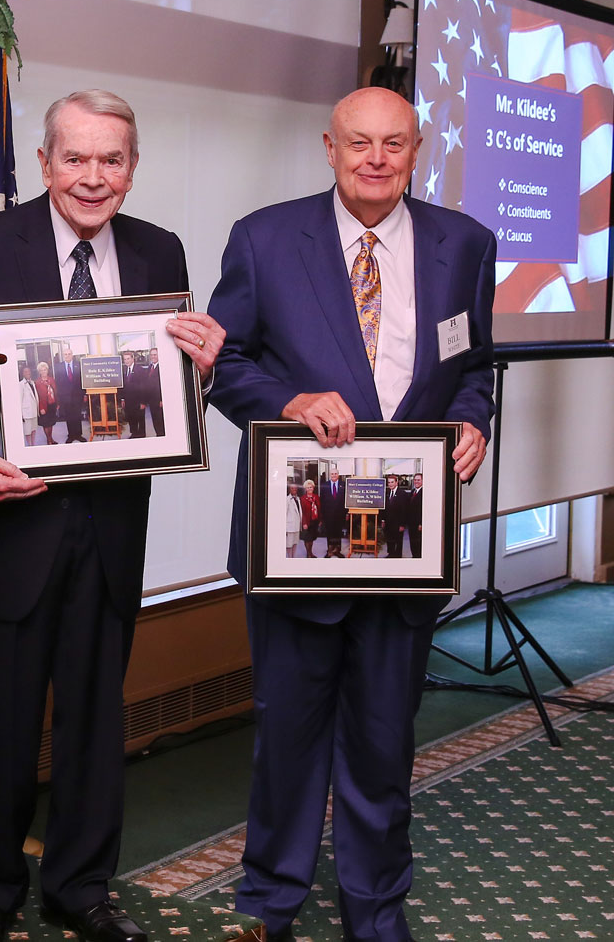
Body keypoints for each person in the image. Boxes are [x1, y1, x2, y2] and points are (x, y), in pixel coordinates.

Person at [0, 89, 224, 942]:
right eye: (76, 158)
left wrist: (206, 367)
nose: (94, 177)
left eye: (112, 159)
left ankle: (83, 889)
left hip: (115, 528)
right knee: (5, 725)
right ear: (46, 163)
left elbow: (166, 392)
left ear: (132, 166)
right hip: (19, 530)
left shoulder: (160, 250)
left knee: (95, 719)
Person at [208, 86, 494, 942]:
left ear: (418, 150)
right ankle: (270, 904)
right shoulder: (264, 237)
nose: (376, 158)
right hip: (299, 536)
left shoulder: (465, 243)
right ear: (328, 146)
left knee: (382, 740)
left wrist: (476, 417)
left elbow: (477, 363)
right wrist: (291, 399)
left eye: (394, 144)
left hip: (408, 539)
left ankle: (374, 908)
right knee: (287, 739)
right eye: (359, 142)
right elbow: (225, 365)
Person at [54, 344, 87, 442]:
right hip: (65, 397)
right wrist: (59, 398)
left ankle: (78, 435)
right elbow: (58, 383)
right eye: (65, 354)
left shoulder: (78, 365)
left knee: (77, 415)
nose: (67, 356)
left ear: (72, 355)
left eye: (69, 354)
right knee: (69, 416)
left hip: (77, 396)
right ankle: (71, 435)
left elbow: (82, 380)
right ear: (63, 356)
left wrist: (84, 394)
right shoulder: (58, 367)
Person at [118, 350, 147, 438]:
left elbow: (144, 387)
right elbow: (123, 386)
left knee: (140, 418)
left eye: (128, 359)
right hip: (128, 400)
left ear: (133, 359)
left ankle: (141, 434)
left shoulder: (140, 370)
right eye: (125, 359)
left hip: (138, 400)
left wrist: (143, 402)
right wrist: (122, 399)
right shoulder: (125, 369)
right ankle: (134, 433)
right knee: (131, 418)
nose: (126, 361)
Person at [319, 466, 347, 558]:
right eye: (332, 474)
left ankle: (338, 551)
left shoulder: (343, 485)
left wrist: (346, 513)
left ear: (338, 475)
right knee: (330, 533)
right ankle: (330, 551)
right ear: (329, 475)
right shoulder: (324, 485)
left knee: (338, 533)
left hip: (340, 514)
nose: (334, 475)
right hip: (328, 515)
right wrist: (322, 515)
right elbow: (322, 500)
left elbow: (346, 500)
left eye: (335, 473)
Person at [381, 474, 408, 558]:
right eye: (389, 482)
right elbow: (384, 508)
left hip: (398, 523)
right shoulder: (387, 492)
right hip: (388, 522)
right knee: (389, 539)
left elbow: (404, 510)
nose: (390, 484)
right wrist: (383, 520)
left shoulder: (402, 494)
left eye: (392, 482)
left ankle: (398, 556)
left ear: (396, 483)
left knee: (398, 541)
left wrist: (402, 524)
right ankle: (391, 554)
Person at [34, 361, 59, 444]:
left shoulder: (51, 379)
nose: (44, 372)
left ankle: (51, 438)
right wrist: (40, 408)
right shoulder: (37, 382)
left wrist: (57, 403)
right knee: (46, 424)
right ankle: (48, 440)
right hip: (44, 406)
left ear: (47, 370)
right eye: (42, 370)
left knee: (51, 423)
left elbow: (55, 392)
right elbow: (37, 396)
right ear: (39, 372)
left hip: (52, 404)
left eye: (45, 370)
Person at [299, 478, 320, 558]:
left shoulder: (316, 497)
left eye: (311, 487)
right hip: (307, 521)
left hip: (314, 521)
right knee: (307, 538)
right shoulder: (302, 499)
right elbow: (302, 512)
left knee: (311, 538)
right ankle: (308, 554)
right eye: (308, 487)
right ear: (305, 489)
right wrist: (304, 523)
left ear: (313, 488)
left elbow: (319, 508)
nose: (309, 489)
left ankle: (310, 553)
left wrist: (320, 520)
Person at [146, 347, 165, 436]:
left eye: (155, 354)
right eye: (151, 355)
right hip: (152, 400)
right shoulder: (150, 367)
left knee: (161, 420)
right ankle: (158, 435)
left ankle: (162, 436)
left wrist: (162, 399)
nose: (152, 356)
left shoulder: (162, 368)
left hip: (159, 400)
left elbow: (164, 385)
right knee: (155, 419)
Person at [19, 365, 39, 446]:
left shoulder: (32, 382)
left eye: (29, 371)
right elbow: (20, 399)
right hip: (27, 412)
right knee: (28, 431)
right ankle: (29, 444)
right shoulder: (21, 384)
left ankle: (33, 444)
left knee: (34, 429)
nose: (28, 373)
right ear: (23, 373)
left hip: (34, 411)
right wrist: (21, 414)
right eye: (25, 372)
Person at [407, 472, 423, 557]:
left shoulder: (424, 493)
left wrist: (421, 523)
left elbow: (423, 510)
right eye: (415, 480)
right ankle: (414, 557)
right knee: (412, 542)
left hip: (418, 524)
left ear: (423, 481)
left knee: (418, 543)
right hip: (411, 523)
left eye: (418, 480)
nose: (416, 482)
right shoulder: (413, 491)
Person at [285, 483, 303, 558]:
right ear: (289, 489)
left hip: (296, 526)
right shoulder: (287, 499)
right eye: (292, 488)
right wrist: (284, 528)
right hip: (290, 527)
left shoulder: (298, 499)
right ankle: (289, 557)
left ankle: (293, 557)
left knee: (295, 543)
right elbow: (284, 514)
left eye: (295, 488)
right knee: (289, 544)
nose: (294, 490)